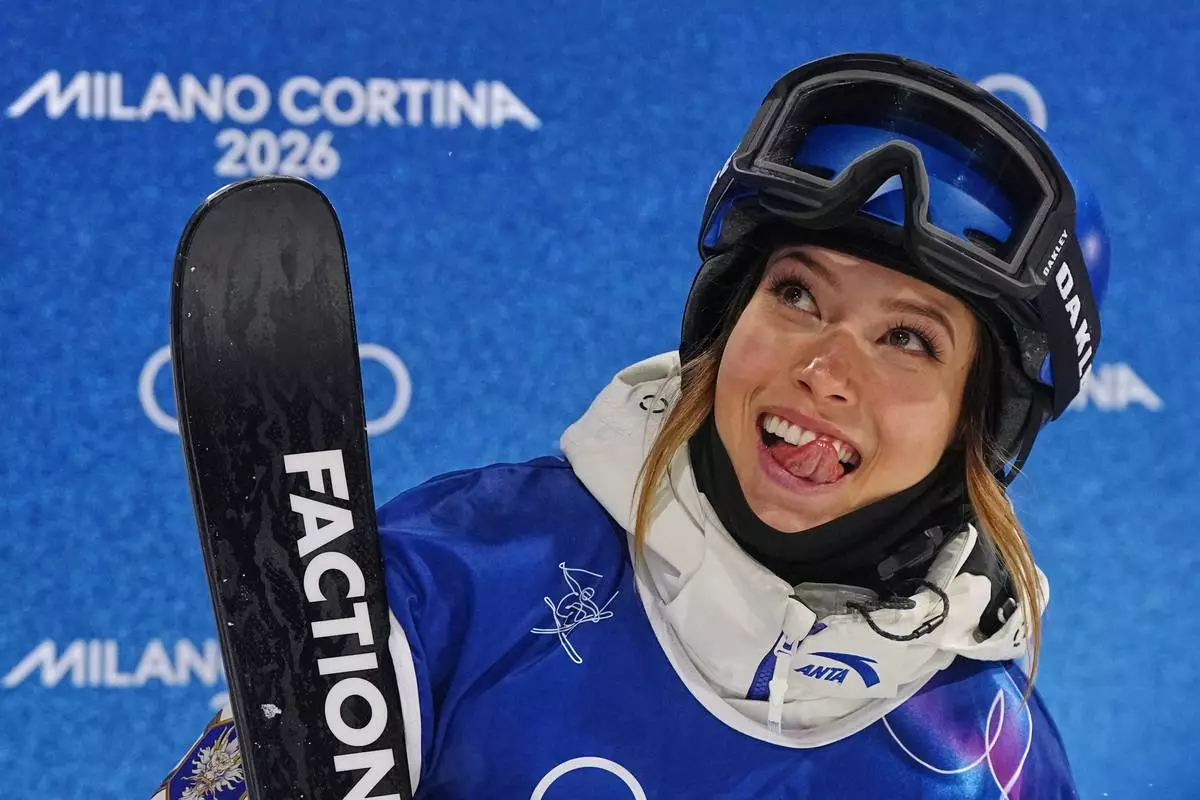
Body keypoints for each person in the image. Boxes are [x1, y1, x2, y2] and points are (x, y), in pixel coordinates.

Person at [154, 52, 1107, 799]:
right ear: (725, 322)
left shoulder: (992, 759)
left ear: (975, 422)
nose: (825, 371)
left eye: (907, 338)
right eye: (796, 295)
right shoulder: (471, 573)